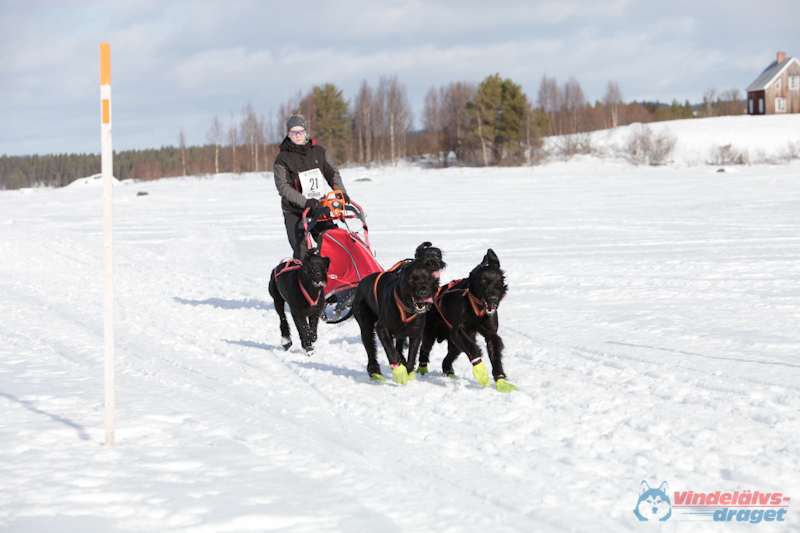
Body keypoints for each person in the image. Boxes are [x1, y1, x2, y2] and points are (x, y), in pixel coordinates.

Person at [273, 115, 351, 260]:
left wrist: (340, 192)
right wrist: (305, 202)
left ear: (306, 132)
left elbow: (332, 173)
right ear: (288, 134)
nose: (298, 135)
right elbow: (283, 187)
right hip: (295, 211)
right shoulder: (282, 159)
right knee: (302, 253)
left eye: (301, 131)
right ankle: (304, 272)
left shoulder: (319, 152)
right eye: (294, 132)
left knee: (331, 245)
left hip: (319, 207)